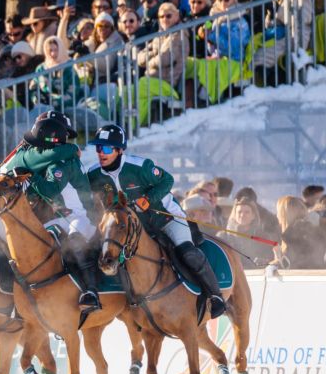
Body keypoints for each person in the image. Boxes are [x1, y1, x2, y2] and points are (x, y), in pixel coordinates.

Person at [87, 124, 226, 318]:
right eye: (98, 148)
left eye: (107, 149)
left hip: (166, 218)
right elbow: (89, 198)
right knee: (100, 251)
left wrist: (148, 199)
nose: (101, 153)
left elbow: (167, 180)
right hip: (134, 228)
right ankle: (96, 296)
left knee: (187, 252)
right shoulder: (93, 174)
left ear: (119, 151)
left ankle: (215, 295)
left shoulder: (139, 167)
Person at [0, 110, 101, 311]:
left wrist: (30, 175)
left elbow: (49, 190)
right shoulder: (50, 158)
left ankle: (90, 292)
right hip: (60, 215)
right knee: (32, 241)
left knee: (74, 240)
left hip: (81, 215)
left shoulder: (63, 162)